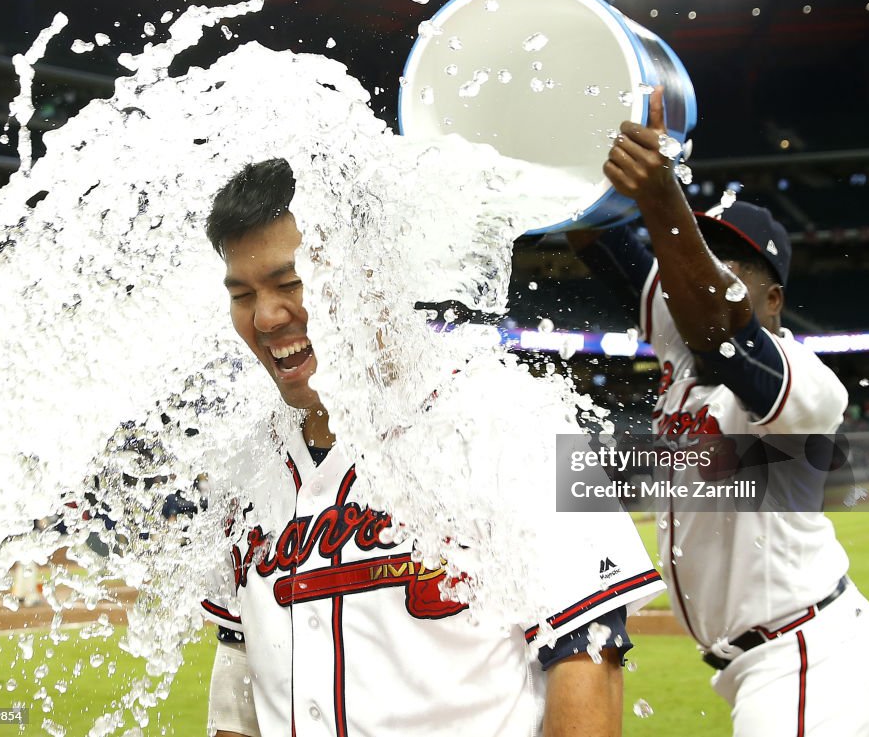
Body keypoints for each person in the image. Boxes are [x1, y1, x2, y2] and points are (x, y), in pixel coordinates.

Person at [199, 159, 665, 737]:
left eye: (291, 283)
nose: (266, 315)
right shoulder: (243, 460)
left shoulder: (517, 416)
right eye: (242, 294)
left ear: (370, 270)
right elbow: (240, 667)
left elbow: (588, 655)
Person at [570, 87, 869, 736]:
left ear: (772, 298)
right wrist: (577, 143)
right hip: (770, 660)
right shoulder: (678, 332)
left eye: (730, 263)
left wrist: (663, 200)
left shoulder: (807, 383)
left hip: (807, 658)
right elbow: (589, 230)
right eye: (701, 253)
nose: (704, 271)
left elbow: (722, 323)